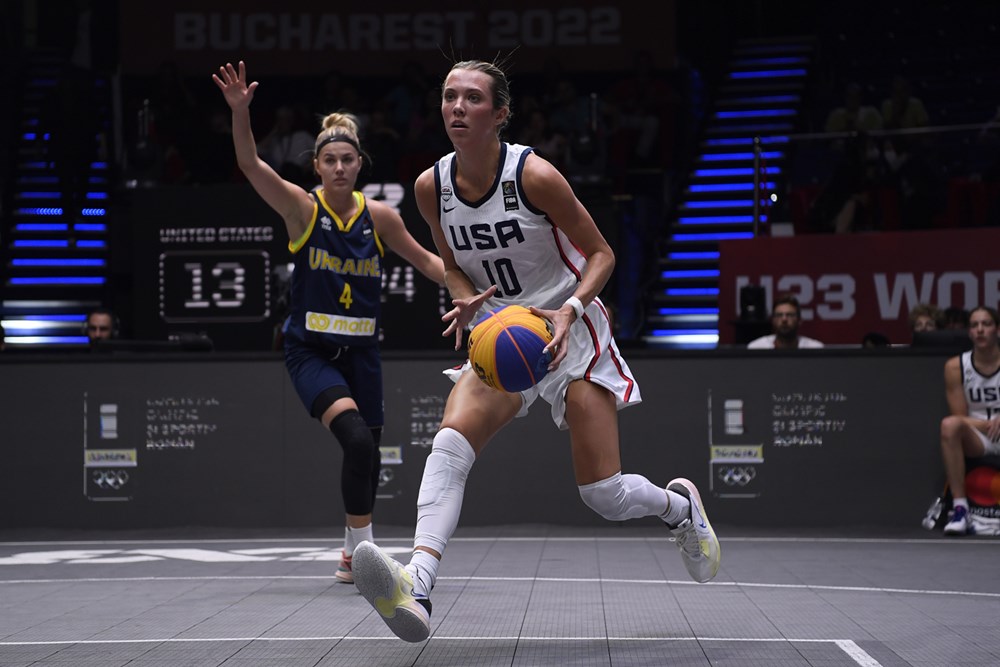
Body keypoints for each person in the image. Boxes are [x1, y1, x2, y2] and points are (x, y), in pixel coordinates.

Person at [350, 58, 720, 644]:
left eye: (472, 98)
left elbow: (601, 254)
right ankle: (416, 584)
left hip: (566, 328)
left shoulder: (535, 176)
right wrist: (467, 298)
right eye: (449, 97)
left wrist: (570, 310)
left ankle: (679, 509)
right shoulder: (430, 187)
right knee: (450, 442)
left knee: (601, 493)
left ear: (500, 114)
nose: (457, 107)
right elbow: (451, 267)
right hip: (502, 332)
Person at [212, 61, 445, 582]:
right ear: (316, 166)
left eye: (348, 159)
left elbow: (427, 262)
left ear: (360, 164)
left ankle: (349, 548)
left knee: (371, 454)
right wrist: (241, 113)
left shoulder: (379, 215)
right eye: (330, 160)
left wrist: (471, 293)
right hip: (311, 352)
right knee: (358, 442)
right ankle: (363, 557)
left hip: (363, 352)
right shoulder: (302, 210)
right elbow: (250, 164)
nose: (339, 167)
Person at [939, 306, 1000, 536]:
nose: (980, 330)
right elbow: (959, 417)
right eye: (974, 326)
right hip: (979, 436)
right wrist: (986, 425)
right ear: (969, 333)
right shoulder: (956, 367)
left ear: (997, 330)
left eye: (986, 324)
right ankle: (961, 510)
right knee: (949, 425)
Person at [746, 294, 824, 349]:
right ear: (772, 320)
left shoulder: (815, 349)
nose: (784, 319)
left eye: (790, 315)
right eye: (779, 315)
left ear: (799, 320)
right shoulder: (757, 348)